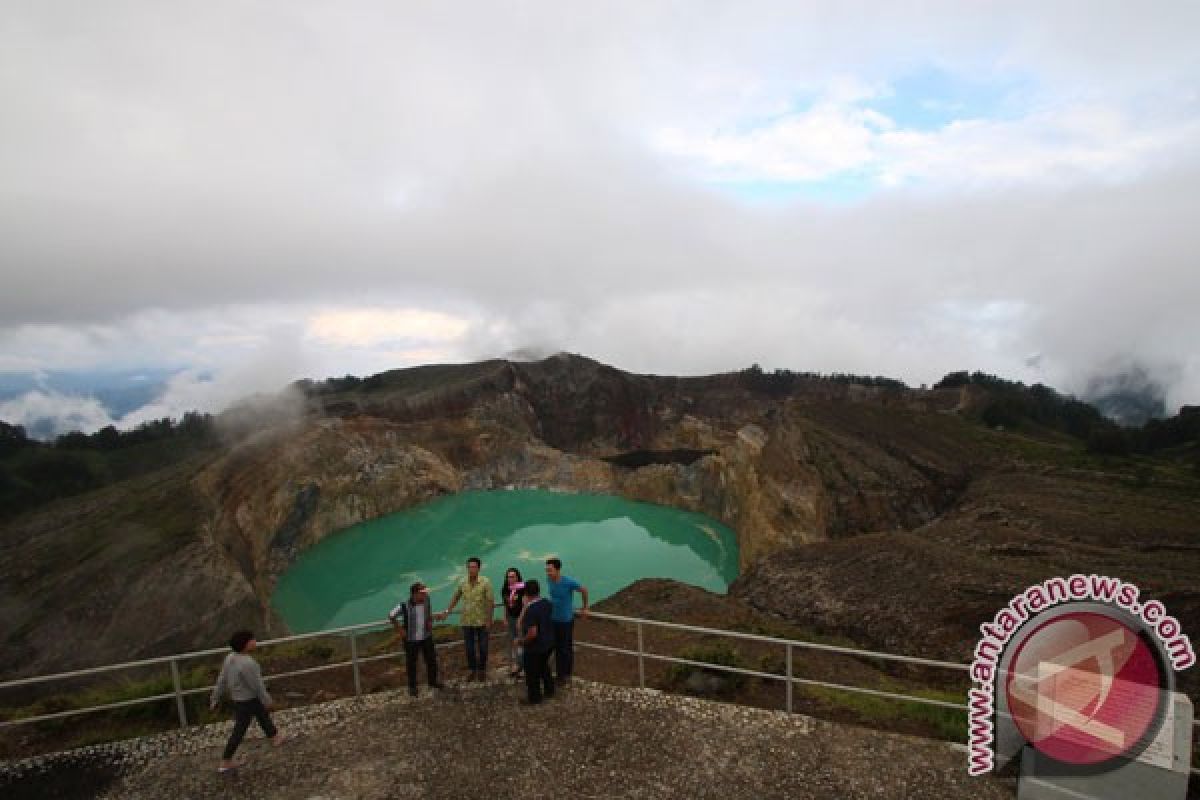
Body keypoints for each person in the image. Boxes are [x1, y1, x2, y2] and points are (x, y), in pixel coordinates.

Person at [209, 630, 285, 773]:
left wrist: (215, 697)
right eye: (252, 640)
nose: (255, 641)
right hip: (247, 699)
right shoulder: (248, 663)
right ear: (245, 644)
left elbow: (222, 680)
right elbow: (256, 685)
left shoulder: (230, 658)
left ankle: (275, 737)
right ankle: (225, 761)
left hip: (239, 699)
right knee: (239, 730)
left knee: (262, 715)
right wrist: (267, 700)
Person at [438, 556, 494, 681]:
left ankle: (482, 670)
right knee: (469, 649)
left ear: (479, 568)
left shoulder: (486, 582)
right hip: (466, 621)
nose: (471, 569)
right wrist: (447, 611)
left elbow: (490, 602)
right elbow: (456, 597)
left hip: (482, 621)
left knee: (483, 648)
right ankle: (473, 670)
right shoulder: (462, 582)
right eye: (469, 567)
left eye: (474, 567)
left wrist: (489, 620)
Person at [389, 581, 442, 696]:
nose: (424, 595)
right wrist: (400, 629)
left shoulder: (427, 600)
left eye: (425, 592)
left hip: (426, 636)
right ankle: (412, 687)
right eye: (422, 593)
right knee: (412, 664)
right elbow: (391, 615)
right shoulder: (404, 605)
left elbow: (428, 612)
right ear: (414, 594)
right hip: (411, 639)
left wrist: (429, 620)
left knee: (431, 660)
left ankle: (432, 682)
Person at [545, 557, 589, 684]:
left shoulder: (568, 582)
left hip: (565, 621)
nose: (548, 573)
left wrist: (585, 607)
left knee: (564, 648)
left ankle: (564, 675)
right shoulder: (549, 580)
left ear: (558, 570)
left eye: (550, 570)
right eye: (547, 570)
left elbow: (584, 590)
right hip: (553, 619)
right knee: (557, 647)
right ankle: (561, 674)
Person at [518, 579, 556, 705]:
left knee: (532, 674)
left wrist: (522, 641)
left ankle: (534, 698)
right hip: (549, 643)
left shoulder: (531, 610)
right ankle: (550, 691)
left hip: (535, 647)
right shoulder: (547, 603)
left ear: (526, 594)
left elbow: (532, 633)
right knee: (544, 667)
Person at [500, 566, 526, 678]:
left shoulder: (523, 588)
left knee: (521, 641)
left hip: (522, 618)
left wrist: (520, 619)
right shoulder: (505, 589)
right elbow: (506, 604)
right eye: (508, 577)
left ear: (518, 577)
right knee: (513, 641)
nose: (510, 579)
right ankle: (517, 664)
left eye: (513, 576)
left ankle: (521, 665)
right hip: (511, 618)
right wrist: (504, 617)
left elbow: (526, 605)